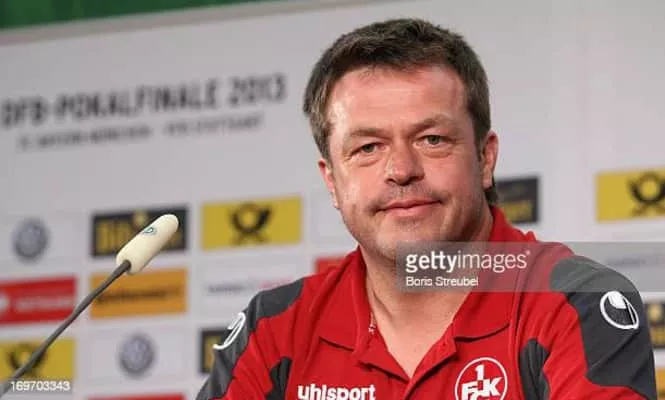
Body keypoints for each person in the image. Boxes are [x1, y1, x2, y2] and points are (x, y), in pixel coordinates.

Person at [196, 18, 656, 399]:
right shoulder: (274, 329)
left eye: (432, 139)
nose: (401, 170)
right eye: (368, 148)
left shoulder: (573, 303)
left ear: (485, 159)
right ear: (332, 181)